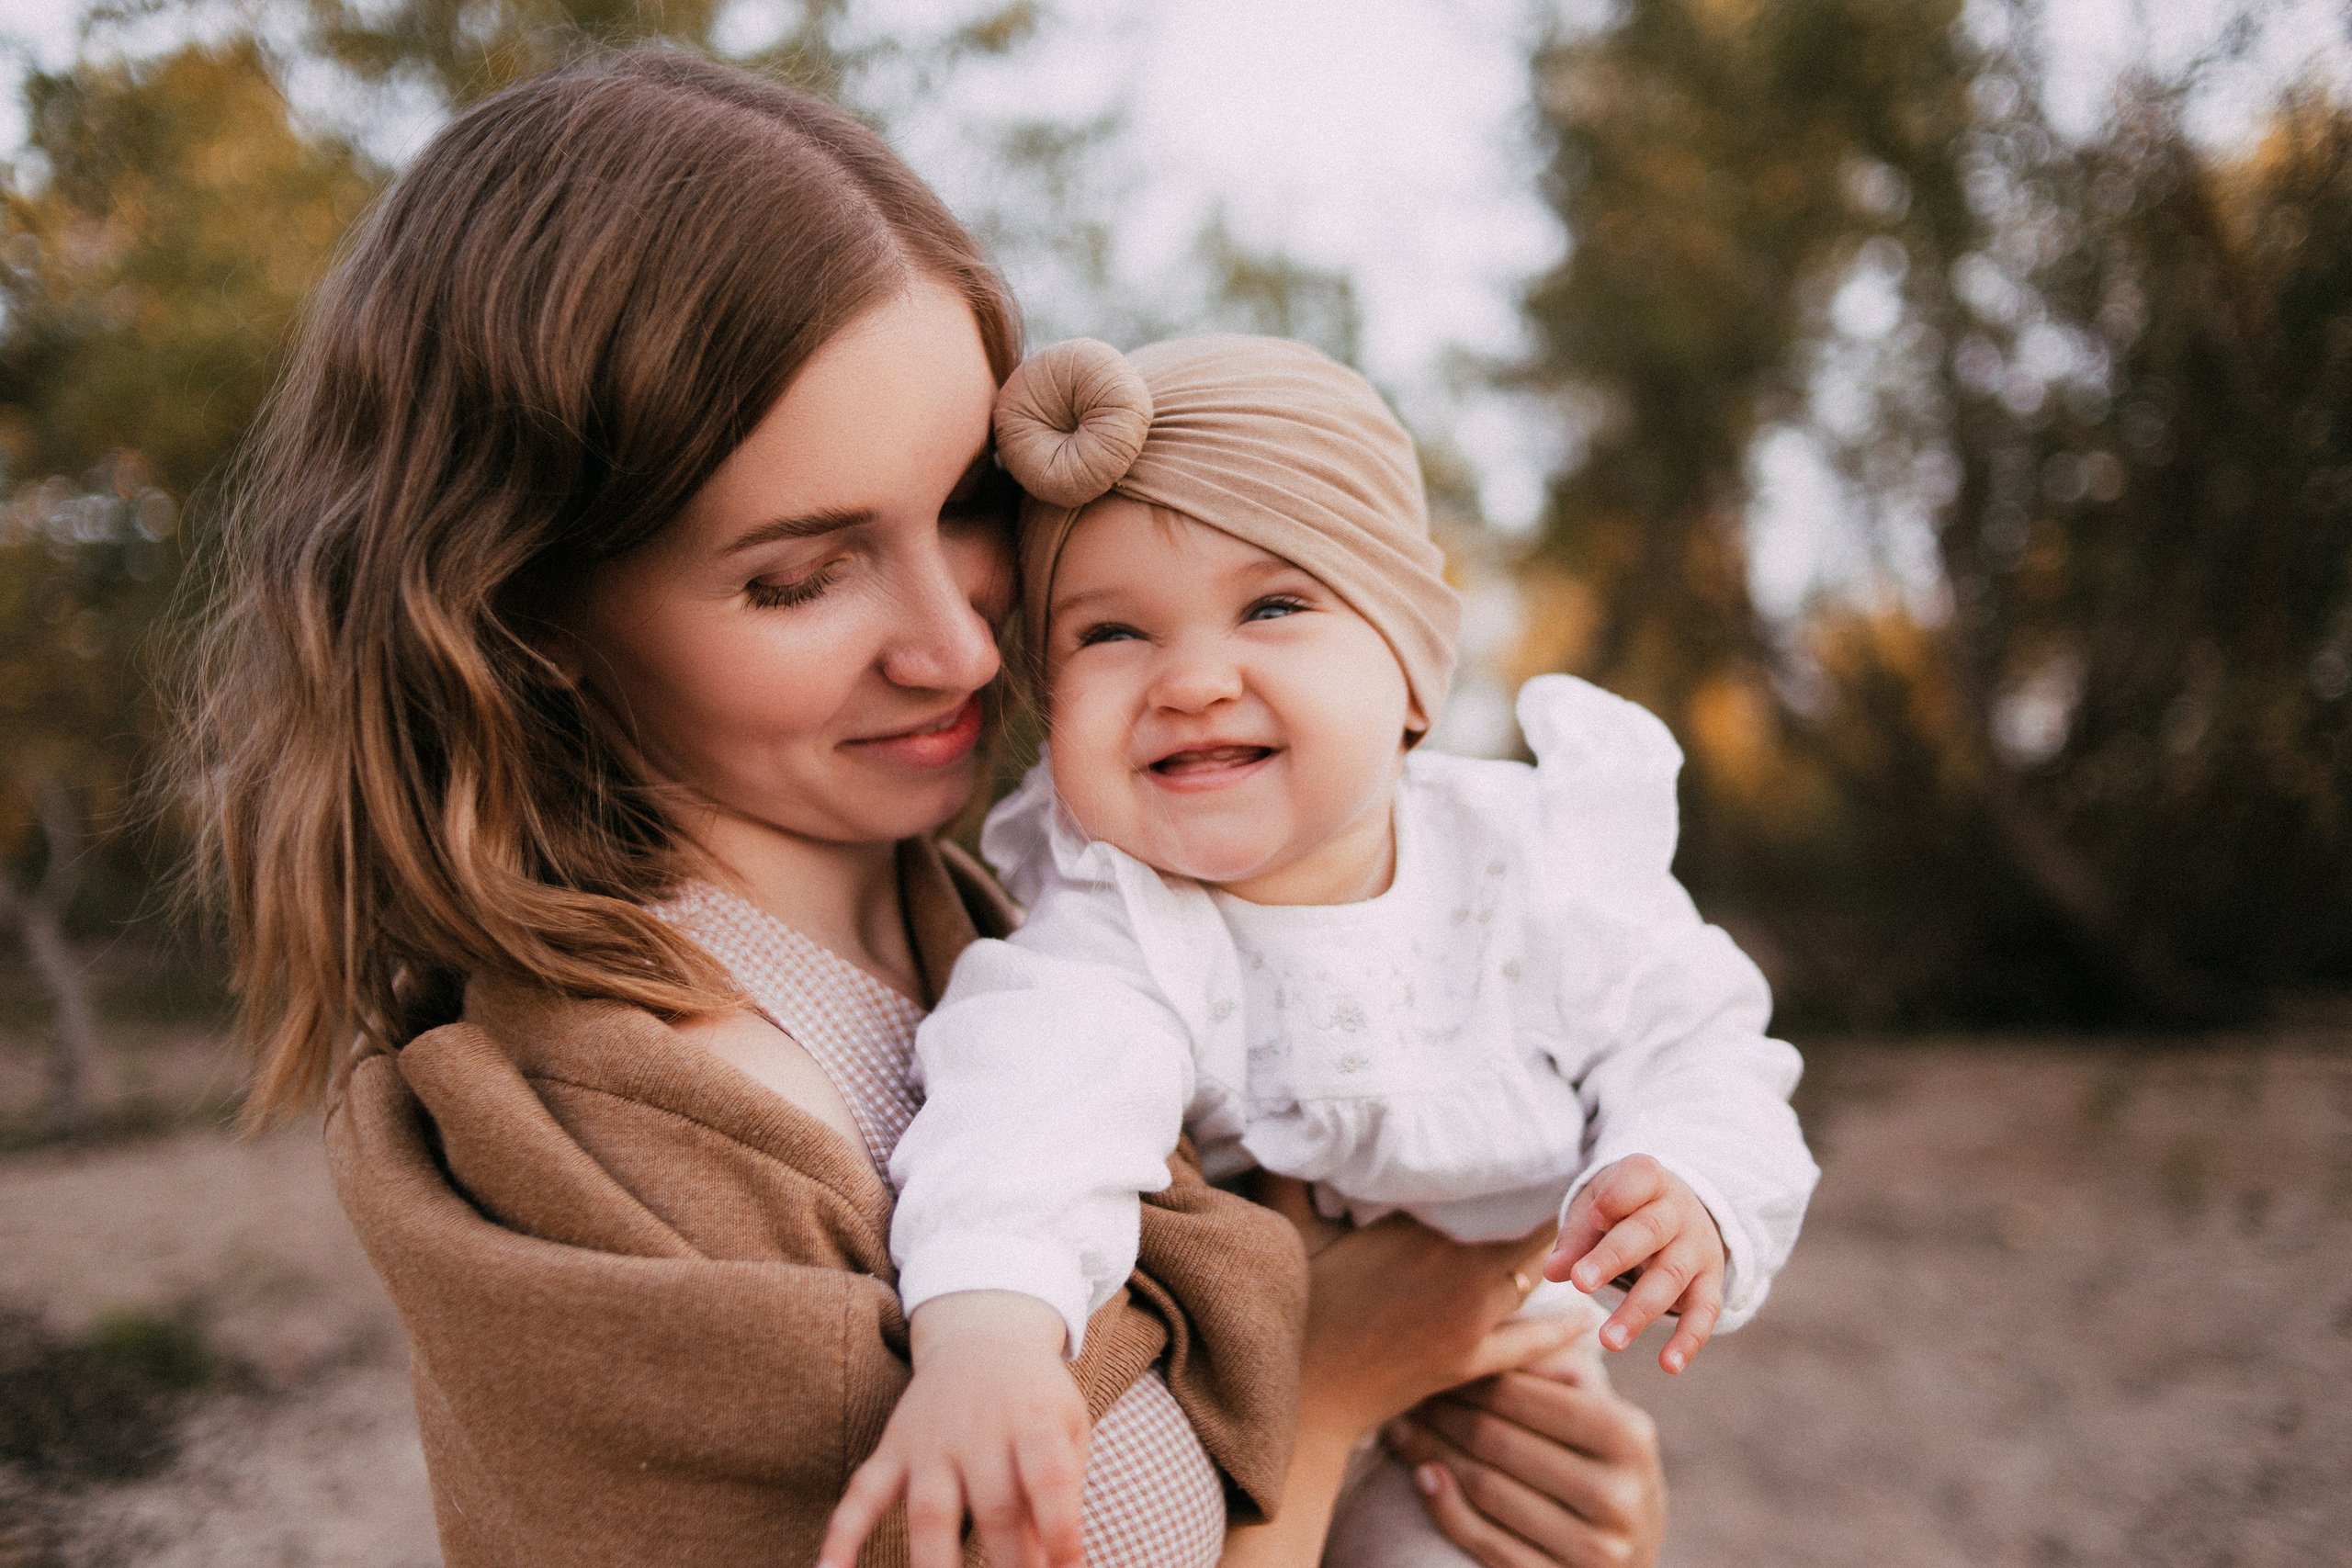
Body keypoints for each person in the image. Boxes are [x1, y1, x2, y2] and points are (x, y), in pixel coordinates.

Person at [173, 47, 1670, 1568]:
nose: (959, 650)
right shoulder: (611, 1130)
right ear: (525, 611)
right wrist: (1334, 1395)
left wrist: (1547, 1502)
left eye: (968, 505)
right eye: (800, 576)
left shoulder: (1054, 915)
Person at [825, 336, 1821, 1568]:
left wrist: (1688, 1183)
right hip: (1242, 1411)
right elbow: (1023, 1128)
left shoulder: (1535, 857)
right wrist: (987, 1340)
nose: (1193, 680)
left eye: (1274, 607)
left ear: (1411, 676)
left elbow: (1697, 1040)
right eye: (1111, 634)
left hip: (1503, 1396)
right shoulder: (1121, 924)